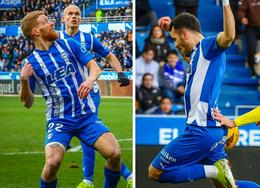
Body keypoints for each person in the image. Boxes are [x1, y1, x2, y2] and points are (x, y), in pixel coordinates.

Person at [20, 11, 122, 188]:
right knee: (52, 163)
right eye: (46, 22)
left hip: (85, 116)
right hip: (59, 120)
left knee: (114, 154)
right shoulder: (30, 63)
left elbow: (95, 68)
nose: (52, 23)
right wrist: (23, 81)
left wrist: (90, 81)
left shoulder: (69, 44)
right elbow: (28, 103)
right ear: (36, 31)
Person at [148, 0, 237, 186]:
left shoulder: (207, 47)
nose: (175, 44)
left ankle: (215, 170)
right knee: (228, 186)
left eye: (175, 39)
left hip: (200, 129)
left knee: (156, 172)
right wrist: (172, 28)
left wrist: (226, 3)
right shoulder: (198, 54)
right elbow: (186, 53)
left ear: (185, 34)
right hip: (211, 129)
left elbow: (229, 36)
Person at [60, 5, 132, 188]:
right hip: (69, 96)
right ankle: (125, 174)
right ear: (63, 18)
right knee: (90, 137)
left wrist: (120, 73)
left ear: (81, 19)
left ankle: (89, 181)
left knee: (87, 134)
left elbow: (110, 56)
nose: (74, 16)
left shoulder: (88, 39)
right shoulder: (56, 40)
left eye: (77, 14)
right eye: (70, 14)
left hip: (89, 93)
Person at [237, 0, 260, 75]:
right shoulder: (247, 1)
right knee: (252, 48)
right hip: (251, 27)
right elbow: (241, 11)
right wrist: (242, 18)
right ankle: (253, 69)